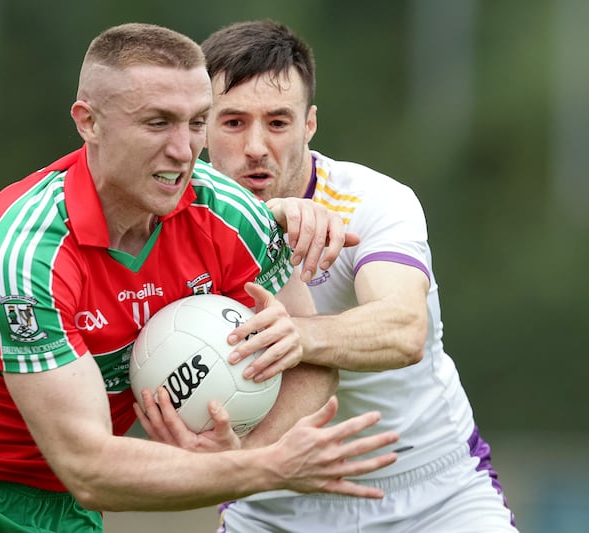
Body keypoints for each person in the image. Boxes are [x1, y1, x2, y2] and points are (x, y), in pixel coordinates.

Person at [0, 23, 401, 533]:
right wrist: (264, 467)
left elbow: (308, 354)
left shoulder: (231, 216)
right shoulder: (27, 252)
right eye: (157, 122)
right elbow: (88, 462)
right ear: (87, 121)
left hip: (68, 506)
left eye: (196, 123)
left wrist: (239, 453)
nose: (184, 151)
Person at [196, 19, 517, 532]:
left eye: (278, 122)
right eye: (233, 122)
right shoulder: (172, 223)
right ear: (201, 125)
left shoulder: (374, 200)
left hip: (432, 493)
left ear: (310, 125)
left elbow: (401, 329)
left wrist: (293, 334)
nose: (256, 145)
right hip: (272, 503)